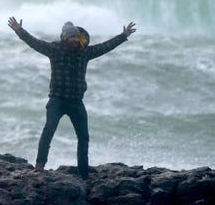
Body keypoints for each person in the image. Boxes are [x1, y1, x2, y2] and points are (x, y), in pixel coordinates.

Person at [7, 16, 136, 179]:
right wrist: (20, 31)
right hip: (57, 100)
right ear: (64, 38)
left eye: (76, 37)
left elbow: (105, 47)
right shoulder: (54, 50)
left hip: (76, 102)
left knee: (83, 137)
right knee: (49, 130)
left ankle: (83, 174)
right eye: (71, 37)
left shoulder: (85, 52)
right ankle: (39, 166)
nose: (74, 40)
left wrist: (123, 36)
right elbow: (35, 43)